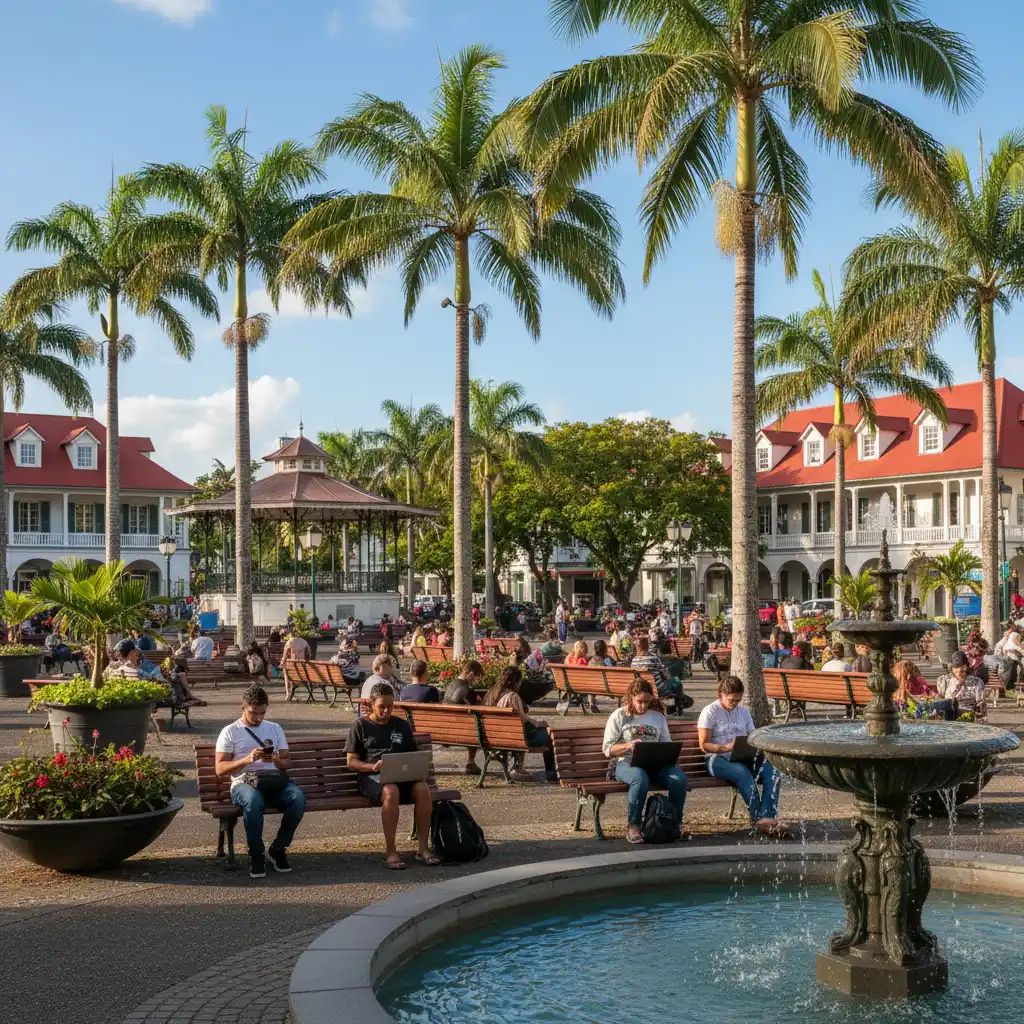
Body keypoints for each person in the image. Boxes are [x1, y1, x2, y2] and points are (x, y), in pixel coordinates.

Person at [344, 681, 440, 870]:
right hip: (372, 777)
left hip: (400, 774)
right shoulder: (360, 726)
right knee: (390, 790)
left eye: (390, 706)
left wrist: (416, 763)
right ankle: (391, 851)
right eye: (382, 707)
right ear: (371, 704)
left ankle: (422, 848)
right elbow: (351, 762)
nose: (387, 711)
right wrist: (372, 767)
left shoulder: (401, 725)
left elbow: (413, 753)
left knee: (422, 788)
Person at [215, 684, 306, 878]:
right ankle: (256, 854)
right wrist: (247, 760)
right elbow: (220, 768)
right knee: (253, 800)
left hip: (272, 781)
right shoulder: (230, 731)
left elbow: (287, 763)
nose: (258, 718)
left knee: (298, 798)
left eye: (262, 713)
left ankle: (278, 848)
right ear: (243, 708)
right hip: (243, 783)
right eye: (253, 713)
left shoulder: (274, 728)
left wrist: (274, 759)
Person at [601, 677, 688, 844]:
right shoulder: (619, 716)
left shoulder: (658, 717)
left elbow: (667, 742)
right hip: (626, 762)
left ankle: (675, 823)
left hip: (655, 763)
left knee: (679, 779)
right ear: (631, 698)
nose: (643, 706)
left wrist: (667, 753)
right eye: (639, 701)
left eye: (647, 702)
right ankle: (634, 824)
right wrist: (628, 746)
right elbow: (607, 749)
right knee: (639, 779)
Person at [698, 676, 788, 837]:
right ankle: (759, 818)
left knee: (773, 771)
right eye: (731, 700)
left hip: (742, 756)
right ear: (721, 695)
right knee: (742, 773)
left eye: (738, 700)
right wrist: (725, 747)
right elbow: (704, 744)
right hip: (716, 758)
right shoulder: (710, 711)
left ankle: (767, 816)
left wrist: (754, 746)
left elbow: (751, 735)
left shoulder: (744, 711)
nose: (734, 704)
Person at [482, 666, 557, 782]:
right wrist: (537, 723)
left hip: (493, 736)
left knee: (536, 730)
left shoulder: (491, 694)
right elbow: (521, 719)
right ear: (516, 682)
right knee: (548, 736)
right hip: (514, 737)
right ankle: (551, 772)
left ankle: (518, 766)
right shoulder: (512, 696)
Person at [443, 659, 484, 774]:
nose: (476, 680)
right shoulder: (466, 689)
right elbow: (473, 710)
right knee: (477, 727)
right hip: (460, 730)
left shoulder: (452, 684)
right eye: (476, 677)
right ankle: (470, 762)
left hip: (443, 728)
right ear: (470, 673)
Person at [630, 636, 688, 705]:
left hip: (641, 688)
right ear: (647, 646)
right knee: (676, 681)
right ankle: (681, 701)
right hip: (657, 689)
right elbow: (664, 673)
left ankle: (680, 700)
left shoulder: (634, 660)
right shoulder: (653, 657)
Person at [934, 651, 986, 720]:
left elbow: (981, 706)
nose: (959, 672)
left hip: (968, 717)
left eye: (962, 669)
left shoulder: (977, 682)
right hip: (948, 717)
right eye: (956, 668)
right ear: (951, 668)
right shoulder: (944, 681)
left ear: (967, 667)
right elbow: (940, 702)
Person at [281, 631, 312, 701]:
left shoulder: (289, 642)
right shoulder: (304, 642)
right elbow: (309, 655)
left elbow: (284, 656)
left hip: (292, 669)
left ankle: (288, 693)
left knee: (285, 670)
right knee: (291, 670)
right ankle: (291, 692)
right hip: (302, 670)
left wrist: (282, 664)